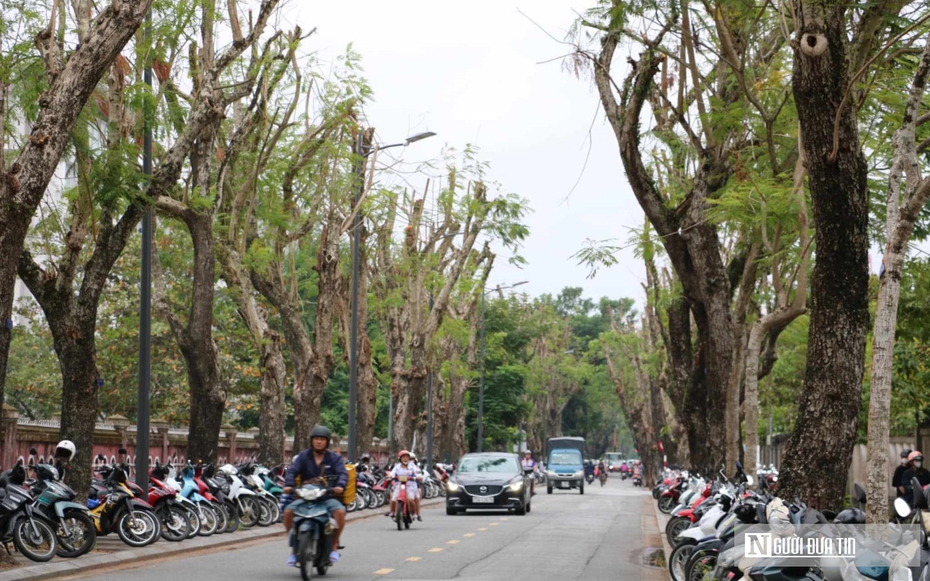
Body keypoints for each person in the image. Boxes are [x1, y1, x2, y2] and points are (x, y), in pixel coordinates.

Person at [282, 425, 348, 568]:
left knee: (340, 513)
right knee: (288, 512)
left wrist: (339, 486)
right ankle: (294, 547)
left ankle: (334, 545)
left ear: (327, 442)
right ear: (311, 441)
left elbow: (343, 473)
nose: (318, 442)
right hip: (306, 496)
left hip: (326, 496)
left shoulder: (334, 458)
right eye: (316, 439)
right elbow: (292, 471)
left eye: (322, 439)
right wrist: (288, 485)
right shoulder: (303, 456)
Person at [386, 450, 423, 521]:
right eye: (403, 457)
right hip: (399, 484)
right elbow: (392, 474)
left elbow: (419, 474)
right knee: (394, 497)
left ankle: (415, 513)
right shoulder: (397, 467)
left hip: (411, 485)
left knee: (410, 499)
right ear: (400, 458)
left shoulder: (413, 466)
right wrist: (390, 476)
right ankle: (393, 512)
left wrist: (418, 476)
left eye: (407, 457)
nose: (405, 459)